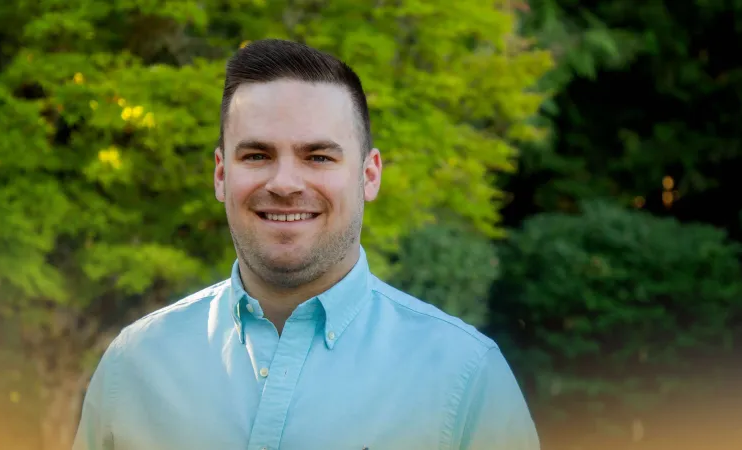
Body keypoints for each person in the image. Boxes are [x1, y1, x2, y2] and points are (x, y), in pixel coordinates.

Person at [73, 38, 539, 450]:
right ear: (220, 174)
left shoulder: (465, 376)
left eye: (318, 156)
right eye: (257, 155)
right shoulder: (134, 365)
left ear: (369, 174)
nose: (284, 182)